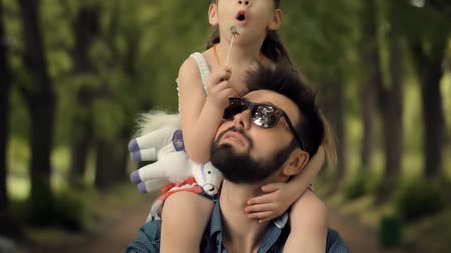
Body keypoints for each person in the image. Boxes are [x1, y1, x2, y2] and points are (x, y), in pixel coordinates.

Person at [132, 0, 334, 252]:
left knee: (313, 212)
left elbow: (318, 147)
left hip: (264, 178)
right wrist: (214, 103)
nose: (243, 1)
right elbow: (199, 151)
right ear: (214, 13)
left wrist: (290, 192)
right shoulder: (196, 67)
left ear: (274, 19)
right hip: (207, 178)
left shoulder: (280, 75)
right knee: (180, 209)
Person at [127, 64, 349, 252]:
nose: (239, 118)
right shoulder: (159, 239)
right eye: (235, 108)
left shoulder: (323, 245)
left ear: (295, 162)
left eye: (265, 115)